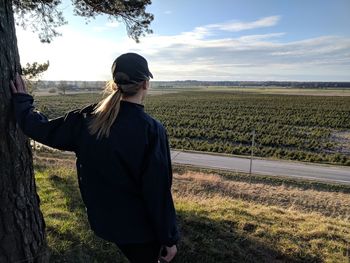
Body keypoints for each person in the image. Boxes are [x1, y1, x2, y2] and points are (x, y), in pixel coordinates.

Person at [10, 53, 179, 263]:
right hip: (139, 230)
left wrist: (22, 102)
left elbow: (41, 129)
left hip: (105, 223)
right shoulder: (151, 130)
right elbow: (157, 191)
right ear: (145, 84)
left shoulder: (87, 119)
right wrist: (168, 238)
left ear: (114, 83)